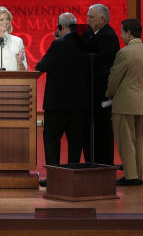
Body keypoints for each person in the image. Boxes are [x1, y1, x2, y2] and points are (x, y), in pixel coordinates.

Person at [36, 12, 88, 169]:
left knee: (52, 140)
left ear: (62, 26)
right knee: (75, 142)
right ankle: (74, 173)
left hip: (57, 103)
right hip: (79, 103)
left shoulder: (59, 44)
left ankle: (54, 175)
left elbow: (41, 66)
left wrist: (57, 40)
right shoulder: (85, 43)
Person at [106, 18, 143, 186]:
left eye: (122, 32)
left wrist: (108, 94)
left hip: (125, 102)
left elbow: (114, 78)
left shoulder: (124, 52)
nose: (121, 35)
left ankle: (131, 176)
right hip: (141, 101)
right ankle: (138, 174)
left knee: (126, 141)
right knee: (139, 141)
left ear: (129, 32)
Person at [82, 3, 119, 165]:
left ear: (102, 19)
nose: (87, 19)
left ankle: (104, 164)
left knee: (102, 128)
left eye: (91, 17)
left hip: (101, 93)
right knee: (90, 129)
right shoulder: (89, 33)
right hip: (89, 93)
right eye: (88, 16)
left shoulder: (108, 36)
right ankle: (91, 162)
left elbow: (95, 59)